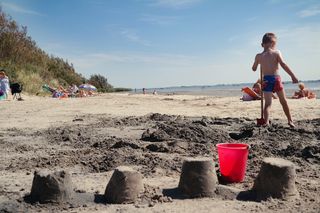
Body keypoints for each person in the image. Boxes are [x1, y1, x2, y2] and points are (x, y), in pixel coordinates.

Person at [252, 33, 298, 127]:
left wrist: (258, 63)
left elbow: (253, 68)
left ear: (262, 44)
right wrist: (293, 76)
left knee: (268, 103)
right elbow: (283, 64)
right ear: (273, 43)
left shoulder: (259, 56)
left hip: (266, 80)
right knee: (283, 101)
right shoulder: (276, 52)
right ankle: (290, 120)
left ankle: (266, 122)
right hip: (276, 78)